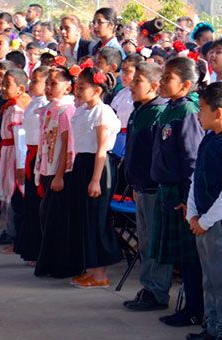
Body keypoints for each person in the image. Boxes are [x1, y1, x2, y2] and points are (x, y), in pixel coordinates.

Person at [150, 57, 205, 327]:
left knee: (191, 257)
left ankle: (195, 308)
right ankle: (189, 306)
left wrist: (188, 200)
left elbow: (192, 159)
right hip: (167, 189)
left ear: (184, 84)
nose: (161, 82)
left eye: (167, 77)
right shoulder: (170, 108)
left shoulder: (189, 111)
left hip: (181, 194)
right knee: (183, 259)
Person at [186, 82, 222, 340]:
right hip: (202, 220)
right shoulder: (208, 138)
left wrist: (205, 221)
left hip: (217, 223)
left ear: (219, 112)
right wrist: (192, 214)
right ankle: (212, 326)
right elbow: (196, 177)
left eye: (202, 109)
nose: (198, 114)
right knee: (209, 278)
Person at [69, 66, 122, 289]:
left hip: (98, 166)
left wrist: (95, 179)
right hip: (83, 163)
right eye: (77, 86)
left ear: (97, 90)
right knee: (86, 218)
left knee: (97, 219)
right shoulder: (82, 110)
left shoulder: (103, 112)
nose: (77, 90)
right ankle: (90, 269)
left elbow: (101, 149)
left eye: (82, 87)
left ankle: (100, 274)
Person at [122, 62, 169, 311]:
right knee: (144, 239)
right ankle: (148, 286)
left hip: (154, 188)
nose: (131, 85)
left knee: (153, 241)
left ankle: (157, 290)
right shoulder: (139, 110)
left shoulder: (158, 112)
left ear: (154, 85)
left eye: (137, 81)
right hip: (140, 186)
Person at [34, 64, 78, 278]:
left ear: (68, 88)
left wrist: (60, 174)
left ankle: (61, 264)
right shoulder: (49, 108)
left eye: (54, 83)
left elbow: (67, 145)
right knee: (46, 216)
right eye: (48, 82)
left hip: (59, 172)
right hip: (48, 168)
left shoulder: (66, 110)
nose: (49, 87)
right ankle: (49, 262)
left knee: (57, 219)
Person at [0, 68, 31, 254]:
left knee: (17, 197)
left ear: (21, 88)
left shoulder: (17, 109)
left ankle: (18, 239)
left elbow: (21, 139)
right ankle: (13, 236)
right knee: (11, 197)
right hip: (7, 152)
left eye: (7, 85)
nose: (2, 87)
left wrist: (20, 165)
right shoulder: (9, 106)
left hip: (14, 156)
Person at [15, 66, 49, 265]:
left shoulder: (45, 105)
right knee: (31, 205)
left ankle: (39, 250)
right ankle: (30, 248)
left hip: (41, 156)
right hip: (31, 154)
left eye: (36, 81)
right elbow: (22, 134)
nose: (31, 85)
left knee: (39, 206)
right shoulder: (32, 104)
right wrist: (21, 162)